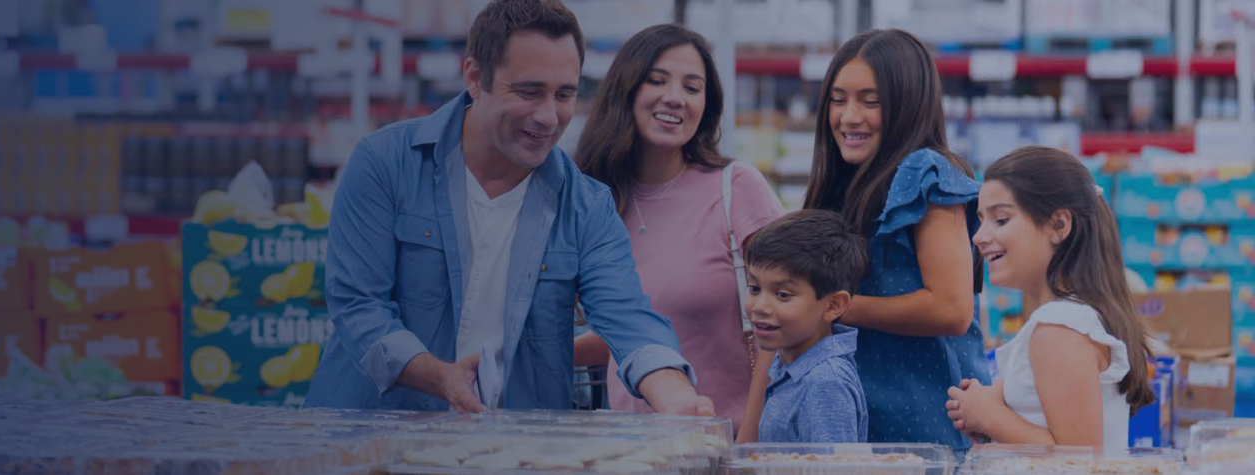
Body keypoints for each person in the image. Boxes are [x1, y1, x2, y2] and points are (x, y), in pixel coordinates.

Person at [305, 0, 711, 416]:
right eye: (530, 91)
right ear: (475, 78)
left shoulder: (586, 205)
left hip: (508, 448)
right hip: (369, 438)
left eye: (565, 94)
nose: (549, 116)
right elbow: (358, 305)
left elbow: (628, 318)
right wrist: (437, 376)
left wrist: (675, 395)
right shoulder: (386, 163)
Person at [745, 29, 990, 451]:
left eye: (870, 101)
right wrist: (746, 443)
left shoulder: (925, 171)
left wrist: (831, 308)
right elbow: (786, 323)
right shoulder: (837, 185)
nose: (849, 117)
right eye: (838, 100)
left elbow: (951, 308)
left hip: (927, 422)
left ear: (909, 104)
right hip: (842, 416)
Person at [571, 24, 784, 436]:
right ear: (626, 89)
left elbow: (786, 323)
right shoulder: (598, 202)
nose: (675, 97)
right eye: (657, 80)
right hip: (630, 451)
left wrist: (746, 444)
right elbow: (641, 330)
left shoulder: (736, 190)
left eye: (692, 87)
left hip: (724, 447)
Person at [945, 146, 1155, 448]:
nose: (979, 236)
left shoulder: (1059, 330)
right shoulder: (1070, 319)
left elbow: (1079, 458)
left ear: (1059, 225)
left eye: (1001, 220)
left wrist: (991, 417)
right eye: (981, 220)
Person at [743, 210, 869, 443]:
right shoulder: (788, 363)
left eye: (782, 294)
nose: (760, 307)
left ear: (833, 305)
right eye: (754, 289)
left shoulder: (826, 382)